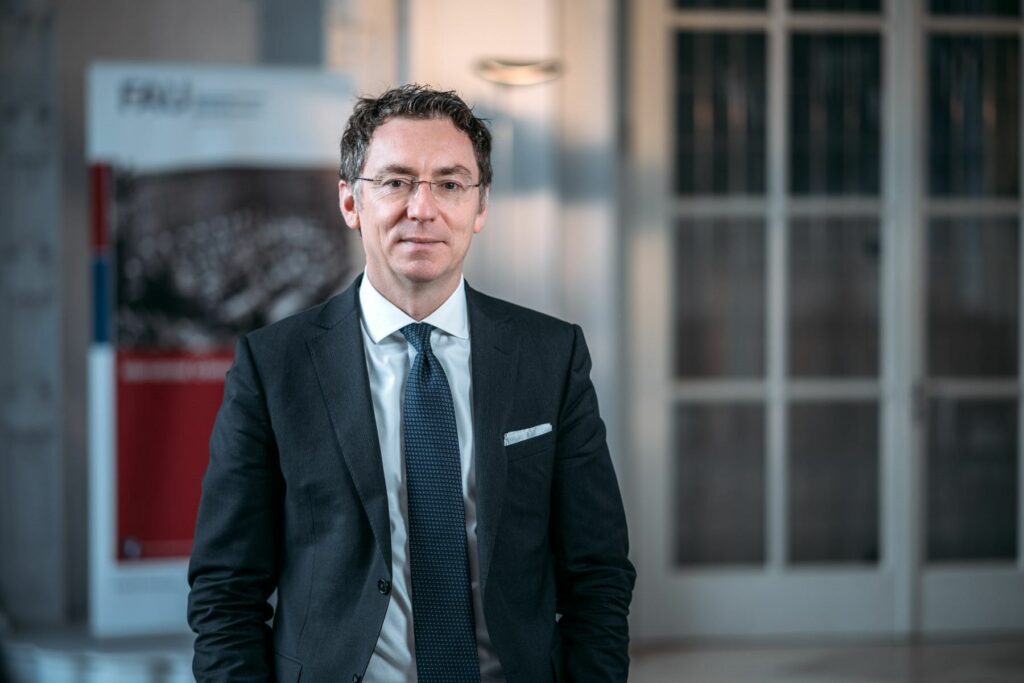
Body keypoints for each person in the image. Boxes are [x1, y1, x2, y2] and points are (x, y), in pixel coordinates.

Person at [187, 84, 635, 683]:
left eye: (450, 184)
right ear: (351, 202)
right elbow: (225, 591)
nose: (422, 208)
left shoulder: (551, 357)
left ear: (480, 207)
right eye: (396, 182)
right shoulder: (272, 368)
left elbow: (598, 573)